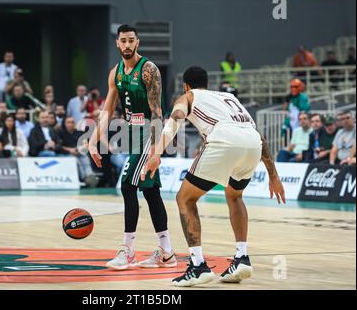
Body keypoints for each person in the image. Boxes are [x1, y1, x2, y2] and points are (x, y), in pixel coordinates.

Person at [142, 66, 285, 287]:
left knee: (185, 199)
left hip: (224, 141)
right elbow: (258, 136)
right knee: (235, 196)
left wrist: (156, 153)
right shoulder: (229, 98)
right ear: (207, 83)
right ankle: (241, 257)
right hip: (252, 143)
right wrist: (273, 175)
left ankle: (198, 265)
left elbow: (176, 119)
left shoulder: (188, 96)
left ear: (186, 85)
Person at [88, 24, 176, 270]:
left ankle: (128, 251)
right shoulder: (115, 72)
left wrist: (157, 150)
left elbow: (158, 112)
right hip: (132, 134)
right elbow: (107, 110)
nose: (127, 45)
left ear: (137, 42)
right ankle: (167, 252)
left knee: (127, 185)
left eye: (131, 41)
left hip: (150, 132)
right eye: (123, 41)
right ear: (117, 43)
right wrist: (94, 140)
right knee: (150, 192)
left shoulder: (148, 70)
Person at [58, 116, 98, 187]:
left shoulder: (80, 132)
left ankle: (90, 175)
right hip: (67, 154)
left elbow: (86, 144)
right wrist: (70, 150)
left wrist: (79, 150)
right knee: (76, 161)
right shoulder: (60, 133)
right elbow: (59, 146)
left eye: (72, 122)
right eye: (68, 122)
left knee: (85, 159)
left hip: (79, 152)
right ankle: (83, 178)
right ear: (64, 124)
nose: (70, 124)